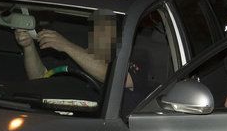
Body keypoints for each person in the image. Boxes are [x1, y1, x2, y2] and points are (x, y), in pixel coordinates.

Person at [14, 12, 169, 115]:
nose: (100, 32)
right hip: (54, 119)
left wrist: (67, 46)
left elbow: (119, 79)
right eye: (97, 28)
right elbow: (39, 80)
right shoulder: (75, 56)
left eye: (106, 27)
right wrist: (28, 46)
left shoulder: (136, 56)